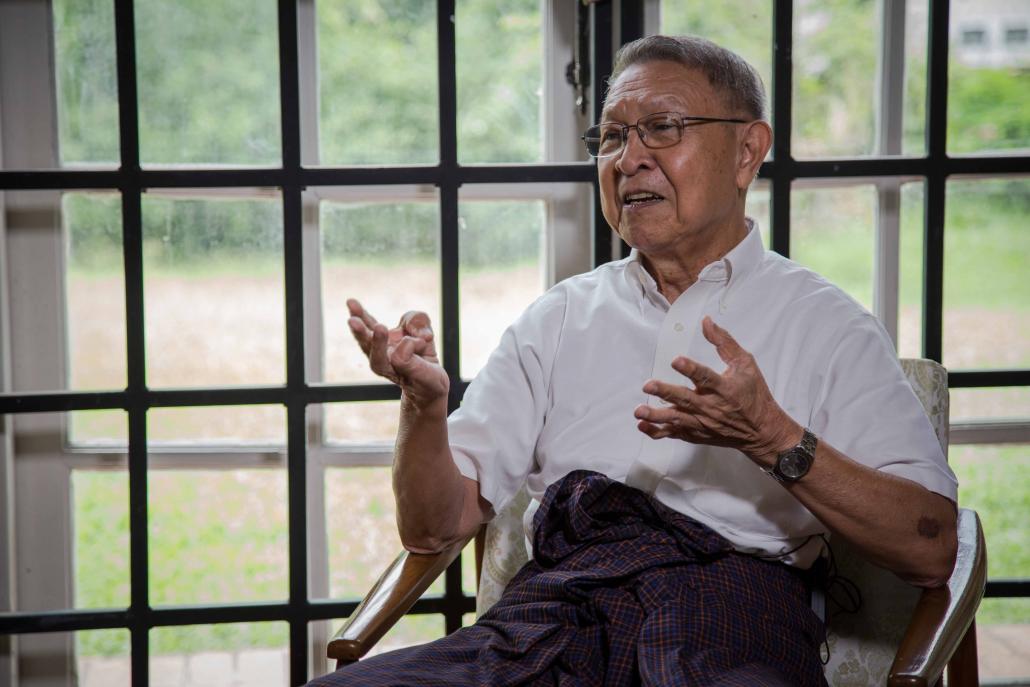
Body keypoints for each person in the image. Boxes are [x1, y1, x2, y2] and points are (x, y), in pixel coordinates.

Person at [311, 35, 958, 686]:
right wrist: (423, 408)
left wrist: (774, 437)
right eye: (613, 137)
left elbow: (931, 548)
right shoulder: (559, 318)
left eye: (662, 129)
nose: (629, 159)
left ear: (747, 151)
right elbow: (432, 529)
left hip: (729, 624)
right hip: (550, 620)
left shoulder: (828, 324)